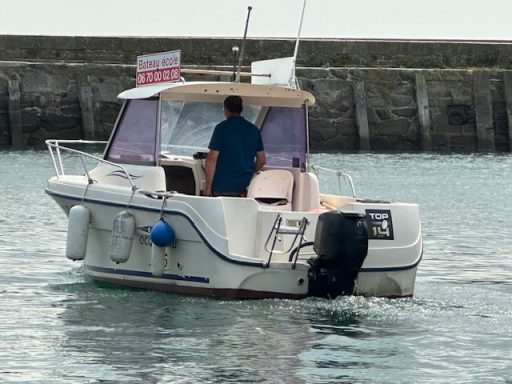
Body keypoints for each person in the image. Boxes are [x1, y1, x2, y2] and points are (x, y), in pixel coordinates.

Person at [203, 95, 266, 197]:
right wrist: (250, 173)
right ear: (241, 109)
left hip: (222, 186)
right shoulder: (253, 130)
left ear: (226, 110)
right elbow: (262, 160)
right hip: (245, 187)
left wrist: (207, 187)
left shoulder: (221, 128)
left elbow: (211, 160)